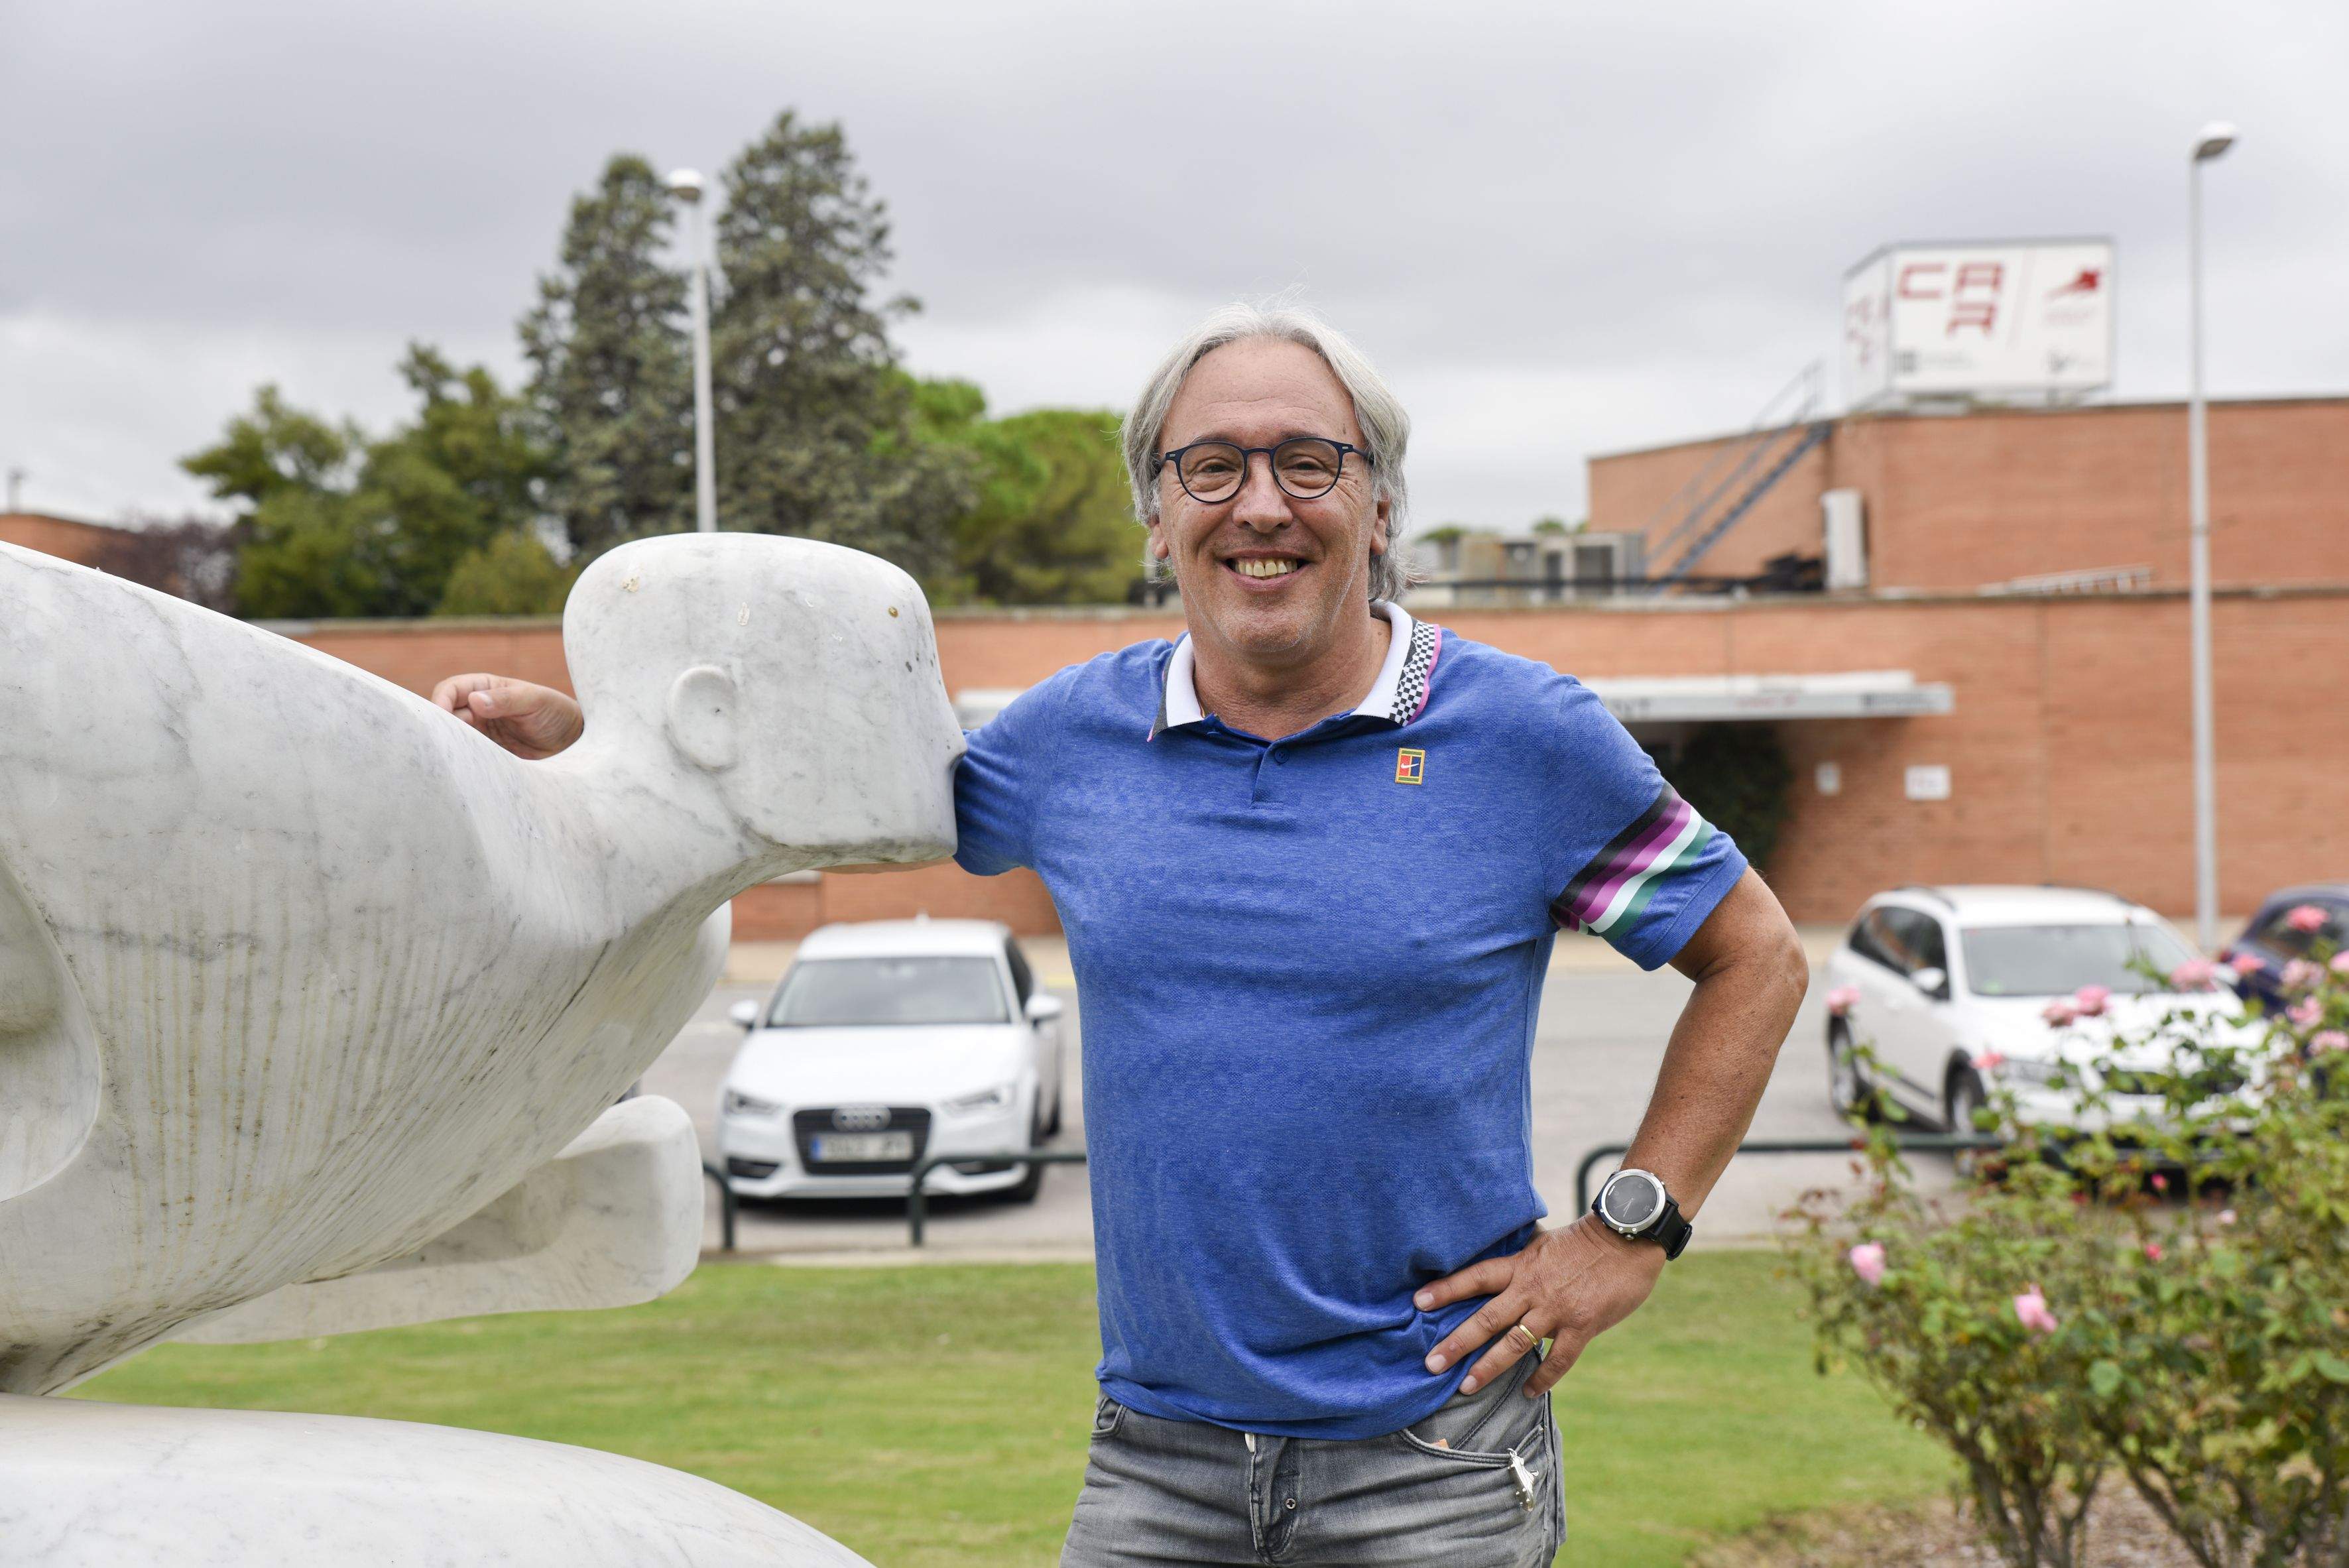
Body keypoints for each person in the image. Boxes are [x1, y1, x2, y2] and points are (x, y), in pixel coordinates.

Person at [434, 304, 1809, 1566]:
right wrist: (586, 742)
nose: (1257, 504)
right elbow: (819, 802)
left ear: (1378, 505)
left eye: (1307, 463)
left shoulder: (1524, 738)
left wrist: (1630, 1228)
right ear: (1154, 515)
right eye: (1207, 467)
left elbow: (1755, 955)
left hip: (1432, 1464)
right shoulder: (1068, 739)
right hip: (1154, 1465)